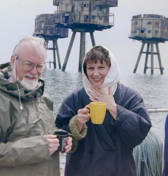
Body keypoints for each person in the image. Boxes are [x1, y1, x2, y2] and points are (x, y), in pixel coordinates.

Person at [0, 36, 72, 176]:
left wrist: (60, 141)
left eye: (39, 66)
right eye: (29, 64)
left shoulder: (44, 99)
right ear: (14, 60)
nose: (34, 72)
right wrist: (39, 147)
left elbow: (43, 134)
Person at [55, 45, 152, 176]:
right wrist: (77, 123)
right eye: (90, 68)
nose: (95, 74)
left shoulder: (130, 97)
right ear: (85, 70)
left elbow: (139, 134)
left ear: (111, 69)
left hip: (119, 170)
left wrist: (114, 108)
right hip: (81, 170)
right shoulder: (74, 98)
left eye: (101, 68)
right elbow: (61, 140)